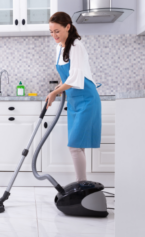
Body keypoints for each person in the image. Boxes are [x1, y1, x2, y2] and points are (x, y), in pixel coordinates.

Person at [45, 12, 102, 182]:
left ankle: (82, 187)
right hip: (74, 102)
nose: (54, 35)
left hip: (87, 99)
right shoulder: (59, 48)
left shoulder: (76, 46)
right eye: (51, 32)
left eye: (57, 31)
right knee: (78, 146)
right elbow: (68, 77)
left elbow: (76, 77)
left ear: (67, 27)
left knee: (74, 146)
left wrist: (55, 92)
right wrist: (60, 87)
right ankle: (82, 187)